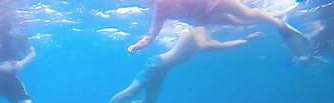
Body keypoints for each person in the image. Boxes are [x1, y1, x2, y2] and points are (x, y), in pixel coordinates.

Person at [76, 28, 261, 103]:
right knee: (132, 92)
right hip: (158, 64)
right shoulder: (199, 30)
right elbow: (206, 46)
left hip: (162, 69)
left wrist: (245, 39)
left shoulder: (204, 32)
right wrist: (238, 42)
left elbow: (218, 42)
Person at [127, 0, 311, 55]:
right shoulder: (159, 10)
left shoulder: (159, 9)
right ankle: (275, 19)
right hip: (207, 15)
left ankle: (276, 22)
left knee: (245, 15)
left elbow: (152, 34)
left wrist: (140, 45)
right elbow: (153, 33)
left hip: (211, 9)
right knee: (244, 18)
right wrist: (139, 45)